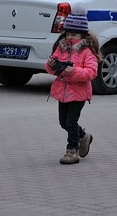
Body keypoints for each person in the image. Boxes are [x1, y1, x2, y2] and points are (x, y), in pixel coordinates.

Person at [44, 12, 102, 165]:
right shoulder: (61, 48)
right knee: (63, 123)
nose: (69, 37)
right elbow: (52, 69)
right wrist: (50, 65)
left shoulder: (86, 51)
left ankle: (72, 151)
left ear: (82, 35)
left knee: (70, 122)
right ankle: (83, 137)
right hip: (62, 92)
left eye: (74, 34)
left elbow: (91, 72)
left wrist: (74, 71)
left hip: (78, 93)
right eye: (67, 33)